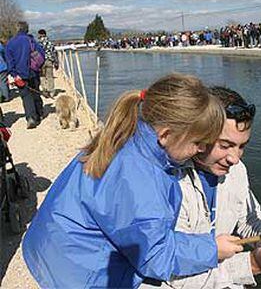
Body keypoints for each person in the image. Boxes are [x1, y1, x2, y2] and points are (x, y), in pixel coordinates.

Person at [22, 73, 243, 288]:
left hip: (50, 247)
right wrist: (211, 248)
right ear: (166, 135)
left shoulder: (129, 133)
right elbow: (155, 255)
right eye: (199, 142)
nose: (202, 150)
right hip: (79, 271)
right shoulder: (139, 176)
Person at [142, 86, 261, 288]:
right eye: (224, 145)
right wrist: (252, 264)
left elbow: (246, 217)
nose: (234, 158)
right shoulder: (168, 182)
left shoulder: (237, 171)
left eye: (242, 146)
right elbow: (173, 275)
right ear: (201, 134)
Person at [5, 21, 45, 129]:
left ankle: (31, 118)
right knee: (36, 92)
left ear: (17, 29)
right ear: (27, 29)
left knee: (26, 96)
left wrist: (13, 74)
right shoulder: (31, 40)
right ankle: (39, 113)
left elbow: (9, 61)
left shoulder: (10, 43)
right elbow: (42, 54)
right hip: (33, 71)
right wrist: (39, 67)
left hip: (19, 74)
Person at [37, 29, 59, 96]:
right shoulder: (50, 43)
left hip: (41, 62)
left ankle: (45, 90)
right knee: (50, 77)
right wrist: (56, 62)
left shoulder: (38, 44)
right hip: (49, 61)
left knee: (42, 76)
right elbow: (54, 53)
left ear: (40, 34)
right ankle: (51, 92)